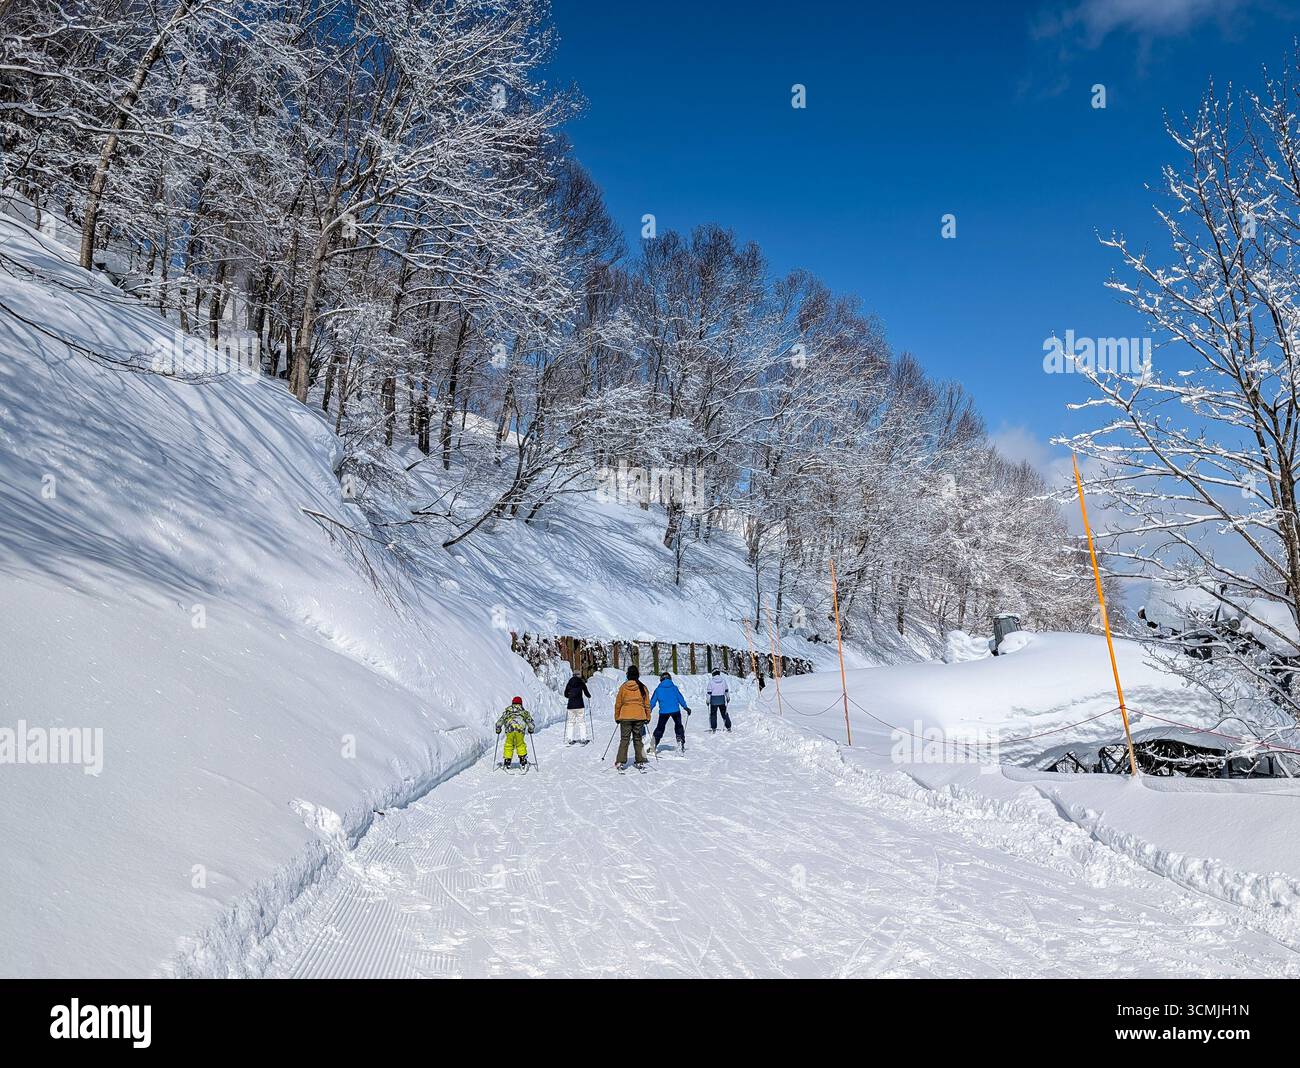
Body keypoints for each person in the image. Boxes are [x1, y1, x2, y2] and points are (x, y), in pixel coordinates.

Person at [613, 664, 651, 770]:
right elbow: (647, 704)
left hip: (625, 717)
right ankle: (640, 760)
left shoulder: (623, 687)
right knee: (638, 739)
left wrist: (617, 717)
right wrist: (648, 716)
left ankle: (620, 761)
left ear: (628, 675)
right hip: (639, 717)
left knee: (624, 739)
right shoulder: (642, 688)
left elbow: (618, 704)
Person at [650, 671, 692, 751]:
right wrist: (685, 707)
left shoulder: (658, 689)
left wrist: (648, 712)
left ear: (661, 680)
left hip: (663, 712)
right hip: (675, 710)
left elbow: (652, 702)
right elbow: (680, 698)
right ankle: (680, 741)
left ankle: (653, 745)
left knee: (660, 728)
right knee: (678, 726)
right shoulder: (674, 688)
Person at [495, 696, 535, 768]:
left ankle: (507, 761)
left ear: (512, 703)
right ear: (521, 704)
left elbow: (500, 722)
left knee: (509, 744)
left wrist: (498, 729)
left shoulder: (507, 712)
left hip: (510, 730)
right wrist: (531, 730)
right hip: (520, 730)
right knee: (520, 744)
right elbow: (530, 723)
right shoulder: (524, 712)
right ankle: (522, 760)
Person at [563, 670, 592, 745]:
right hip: (580, 706)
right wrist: (589, 696)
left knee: (570, 722)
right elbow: (586, 692)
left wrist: (571, 696)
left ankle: (569, 739)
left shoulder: (569, 683)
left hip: (571, 706)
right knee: (581, 722)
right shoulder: (581, 682)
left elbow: (565, 694)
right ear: (579, 675)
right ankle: (583, 738)